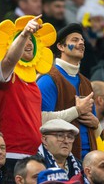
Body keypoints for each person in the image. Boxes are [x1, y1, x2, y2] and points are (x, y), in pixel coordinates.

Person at [0, 15, 56, 178]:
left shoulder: (33, 81)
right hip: (11, 155)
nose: (28, 43)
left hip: (35, 156)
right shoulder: (3, 74)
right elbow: (10, 59)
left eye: (32, 40)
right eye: (22, 40)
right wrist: (25, 33)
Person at [38, 23, 99, 159]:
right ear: (61, 47)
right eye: (75, 40)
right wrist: (76, 111)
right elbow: (41, 120)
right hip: (62, 160)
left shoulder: (86, 82)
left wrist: (96, 124)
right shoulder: (48, 79)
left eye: (82, 40)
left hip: (89, 158)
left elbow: (94, 127)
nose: (81, 43)